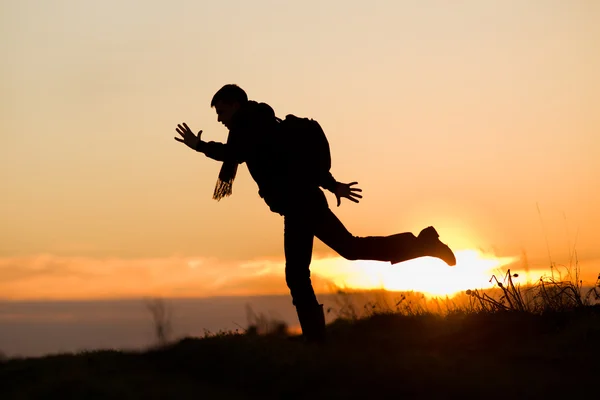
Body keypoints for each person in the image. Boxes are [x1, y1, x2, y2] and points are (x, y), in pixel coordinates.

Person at [174, 84, 456, 342]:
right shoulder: (260, 123)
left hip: (300, 204)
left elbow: (234, 154)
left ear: (235, 104)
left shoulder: (249, 124)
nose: (220, 119)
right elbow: (290, 160)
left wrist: (198, 146)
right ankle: (422, 243)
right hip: (300, 202)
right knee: (345, 251)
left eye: (221, 112)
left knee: (304, 273)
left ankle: (316, 341)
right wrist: (331, 184)